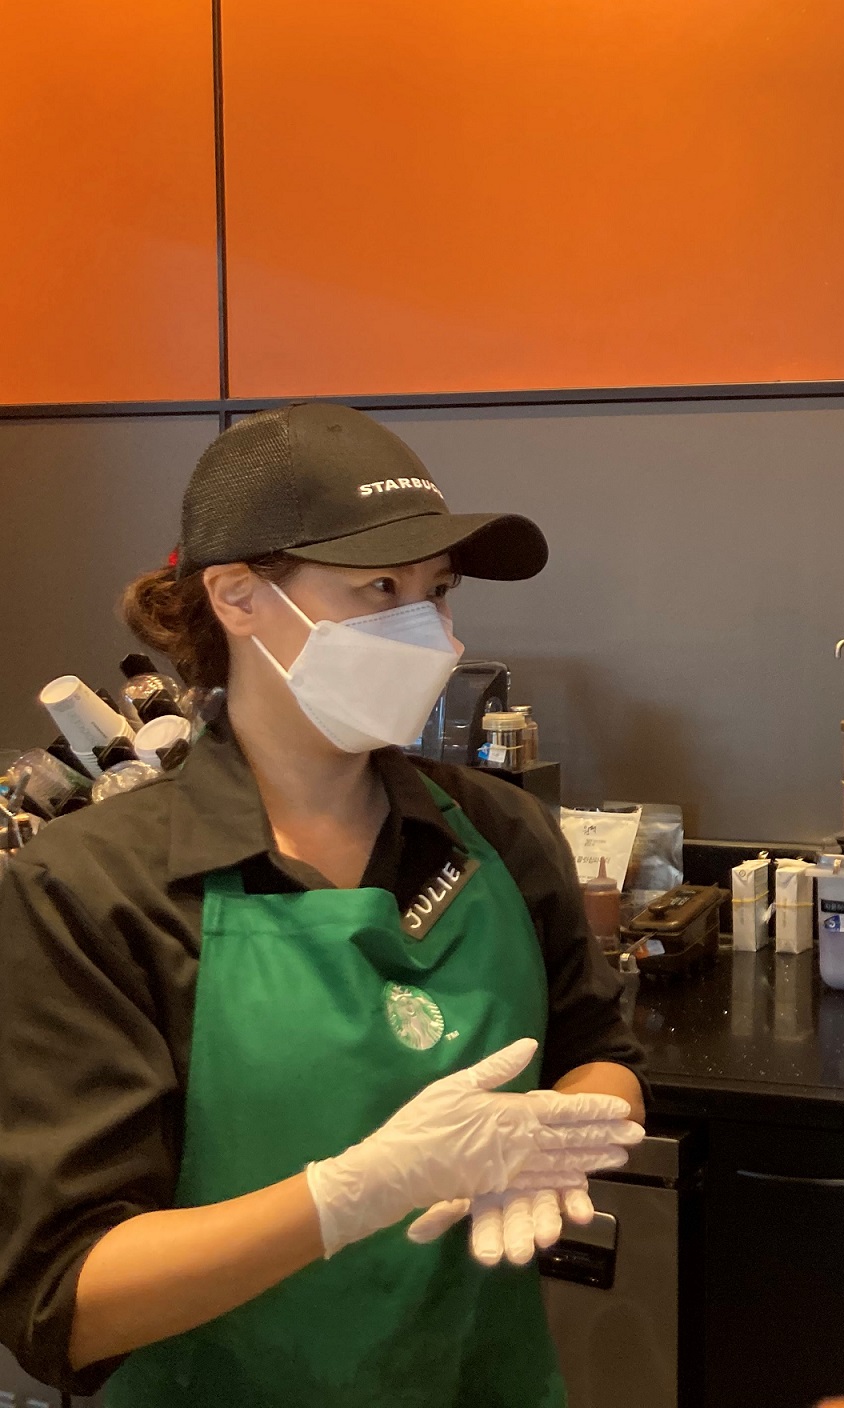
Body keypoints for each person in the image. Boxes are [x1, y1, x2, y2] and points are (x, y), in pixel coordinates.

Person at [0, 404, 649, 1405]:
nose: (430, 631)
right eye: (380, 587)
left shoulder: (500, 834)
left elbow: (598, 1053)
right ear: (237, 596)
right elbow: (69, 1302)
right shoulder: (92, 888)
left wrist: (556, 1138)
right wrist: (350, 1196)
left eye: (437, 591)